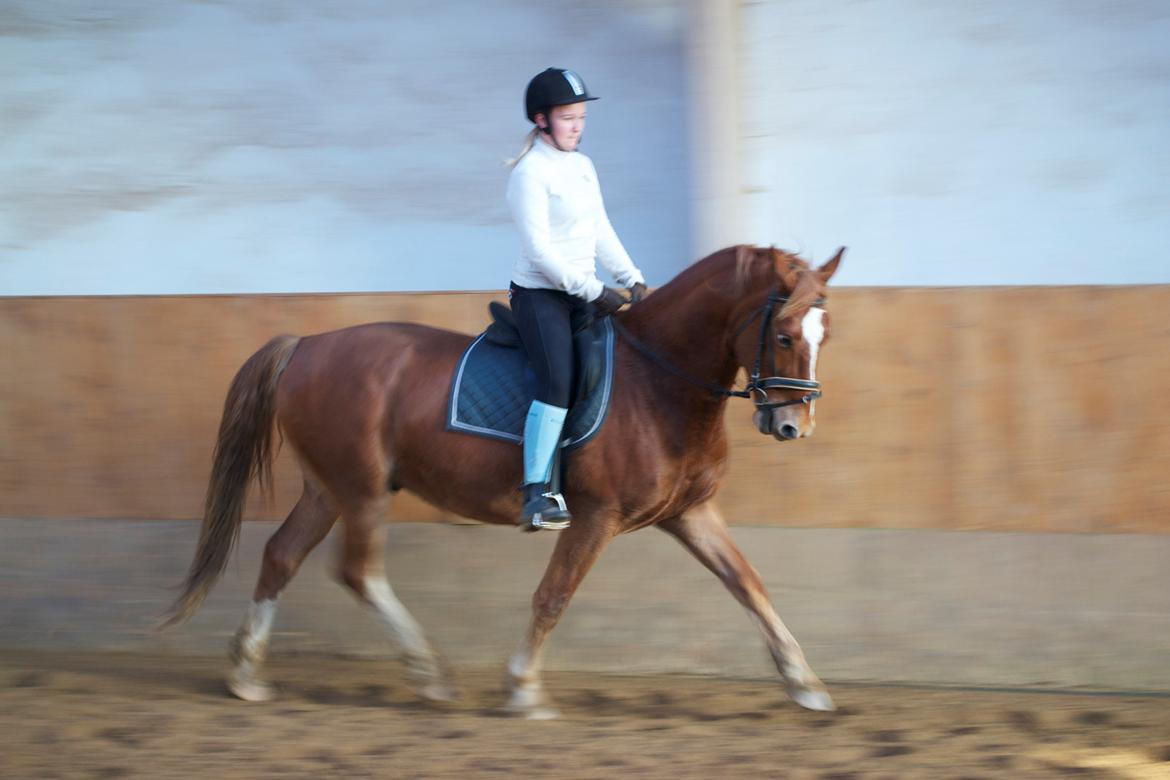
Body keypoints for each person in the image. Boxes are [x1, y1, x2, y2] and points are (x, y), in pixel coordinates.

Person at [506, 67, 648, 531]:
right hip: (541, 296)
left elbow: (599, 228)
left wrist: (633, 278)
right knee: (559, 380)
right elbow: (539, 252)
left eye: (581, 117)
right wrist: (594, 289)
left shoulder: (582, 167)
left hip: (585, 293)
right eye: (568, 117)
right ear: (542, 120)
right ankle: (535, 493)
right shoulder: (530, 173)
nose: (577, 126)